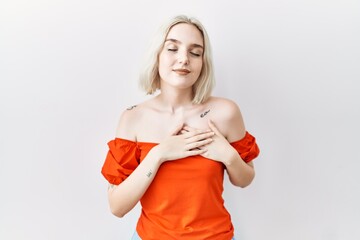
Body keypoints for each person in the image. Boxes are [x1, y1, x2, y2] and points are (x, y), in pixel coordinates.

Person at [101, 15, 260, 240]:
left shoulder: (226, 112)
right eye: (172, 49)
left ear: (203, 62)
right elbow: (117, 206)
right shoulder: (132, 118)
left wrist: (228, 155)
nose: (184, 59)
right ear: (157, 55)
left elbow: (245, 179)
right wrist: (159, 154)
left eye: (195, 52)